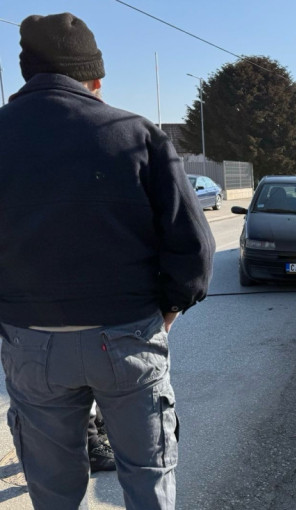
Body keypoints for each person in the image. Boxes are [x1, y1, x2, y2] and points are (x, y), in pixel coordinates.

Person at [0, 12, 215, 510]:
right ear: (94, 79)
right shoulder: (136, 134)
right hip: (127, 336)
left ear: (27, 75)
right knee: (148, 479)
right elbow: (194, 249)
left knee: (52, 491)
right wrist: (163, 315)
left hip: (31, 345)